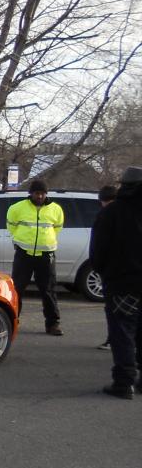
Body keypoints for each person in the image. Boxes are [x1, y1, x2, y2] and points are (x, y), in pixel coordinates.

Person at [90, 166, 142, 399]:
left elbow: (98, 251)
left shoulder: (112, 212)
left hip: (122, 283)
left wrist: (105, 272)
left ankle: (124, 382)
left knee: (122, 332)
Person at [6, 178, 65, 335]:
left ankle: (53, 324)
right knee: (17, 288)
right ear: (31, 193)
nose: (40, 196)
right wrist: (21, 241)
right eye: (37, 193)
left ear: (46, 194)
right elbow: (11, 226)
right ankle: (12, 321)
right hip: (24, 254)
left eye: (42, 194)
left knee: (49, 290)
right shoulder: (17, 208)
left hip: (46, 256)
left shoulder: (56, 209)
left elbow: (57, 227)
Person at [96, 184, 117, 350]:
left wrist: (99, 267)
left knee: (114, 310)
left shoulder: (105, 216)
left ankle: (113, 339)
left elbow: (98, 247)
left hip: (114, 273)